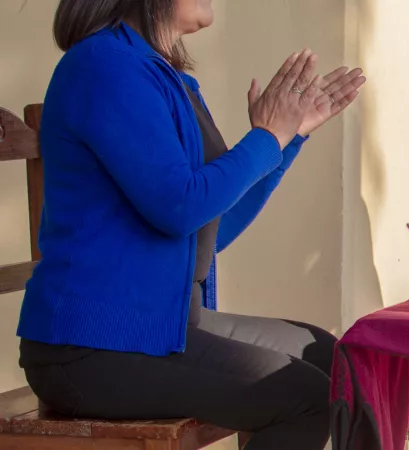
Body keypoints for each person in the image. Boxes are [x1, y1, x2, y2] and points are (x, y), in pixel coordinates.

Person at [15, 1, 365, 449]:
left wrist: (288, 138)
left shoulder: (167, 78)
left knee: (330, 360)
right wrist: (267, 137)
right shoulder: (102, 67)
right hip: (89, 347)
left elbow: (210, 228)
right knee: (306, 397)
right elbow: (179, 207)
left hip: (162, 325)